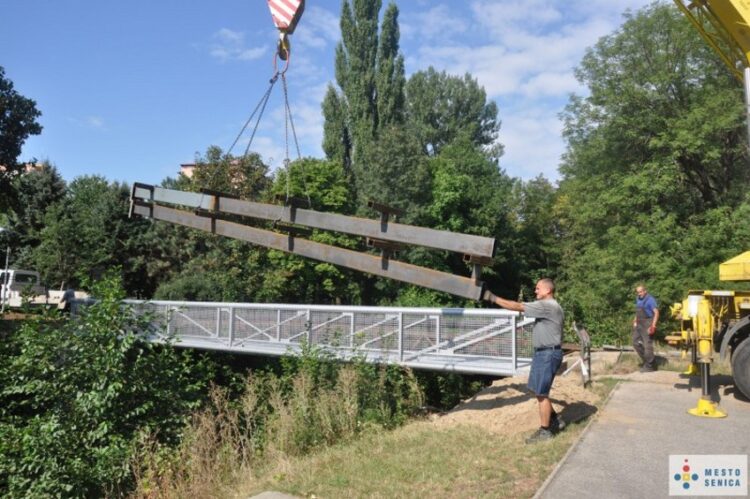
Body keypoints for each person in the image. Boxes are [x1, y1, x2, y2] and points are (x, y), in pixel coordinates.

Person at [484, 278, 565, 444]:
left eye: (537, 288)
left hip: (547, 354)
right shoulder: (550, 306)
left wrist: (492, 297)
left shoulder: (547, 306)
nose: (535, 291)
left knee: (542, 394)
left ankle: (545, 431)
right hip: (544, 353)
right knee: (538, 390)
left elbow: (517, 306)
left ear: (548, 290)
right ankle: (555, 421)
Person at [633, 284, 659, 372]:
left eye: (640, 292)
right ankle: (647, 360)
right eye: (638, 292)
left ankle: (650, 366)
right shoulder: (638, 299)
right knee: (635, 343)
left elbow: (656, 313)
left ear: (645, 291)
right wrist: (635, 320)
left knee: (647, 345)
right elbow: (637, 311)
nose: (639, 294)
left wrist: (653, 325)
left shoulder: (650, 300)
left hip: (647, 323)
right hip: (639, 323)